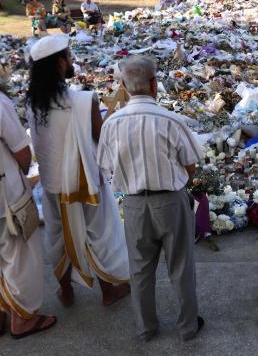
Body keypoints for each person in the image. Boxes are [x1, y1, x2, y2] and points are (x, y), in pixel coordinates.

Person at [97, 56, 204, 342]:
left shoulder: (112, 124)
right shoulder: (171, 120)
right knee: (180, 265)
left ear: (124, 86)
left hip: (133, 204)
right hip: (170, 201)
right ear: (154, 84)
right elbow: (191, 164)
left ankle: (145, 328)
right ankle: (187, 327)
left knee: (140, 269)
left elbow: (106, 166)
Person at [26, 35, 130, 310]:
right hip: (85, 183)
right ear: (60, 63)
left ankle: (66, 292)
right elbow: (101, 138)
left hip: (52, 185)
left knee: (57, 234)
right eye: (69, 57)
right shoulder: (85, 100)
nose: (72, 61)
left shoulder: (33, 104)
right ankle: (108, 291)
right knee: (98, 232)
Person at [0, 87, 58, 339]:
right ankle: (23, 319)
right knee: (21, 257)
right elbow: (22, 152)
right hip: (6, 197)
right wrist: (22, 173)